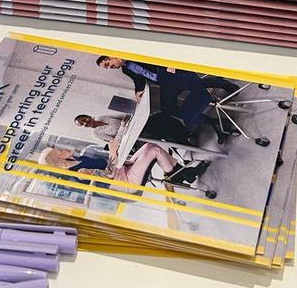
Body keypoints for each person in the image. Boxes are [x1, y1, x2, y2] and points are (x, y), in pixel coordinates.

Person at [96, 55, 235, 142]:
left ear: (111, 56)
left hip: (168, 71)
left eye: (108, 64)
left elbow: (155, 53)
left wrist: (169, 62)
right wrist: (138, 91)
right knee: (168, 110)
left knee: (195, 85)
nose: (111, 67)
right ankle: (215, 123)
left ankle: (221, 83)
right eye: (108, 68)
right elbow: (138, 79)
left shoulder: (132, 53)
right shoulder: (125, 69)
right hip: (164, 82)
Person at [37, 141, 210, 191]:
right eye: (59, 150)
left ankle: (181, 174)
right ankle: (181, 174)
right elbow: (109, 174)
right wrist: (113, 151)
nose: (63, 149)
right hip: (126, 181)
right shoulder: (80, 172)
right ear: (58, 158)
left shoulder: (80, 158)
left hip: (123, 169)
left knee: (148, 146)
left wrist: (124, 159)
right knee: (154, 151)